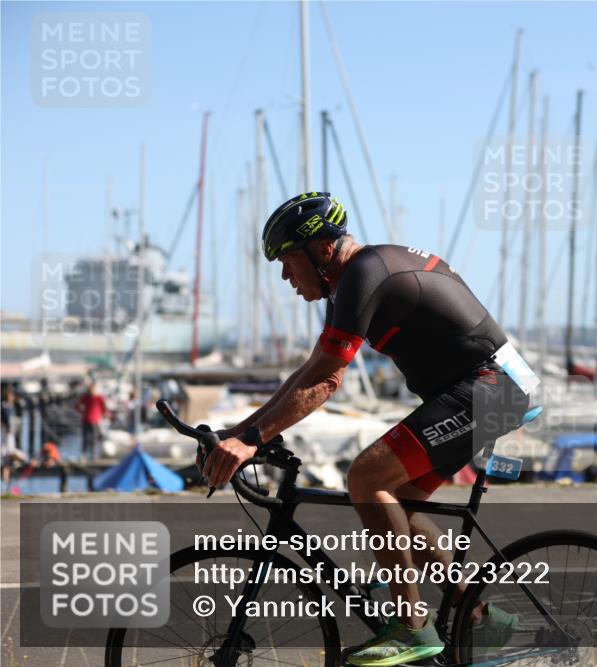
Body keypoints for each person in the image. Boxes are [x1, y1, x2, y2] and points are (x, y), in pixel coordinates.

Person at [203, 193, 532, 666]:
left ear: (319, 250)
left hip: (494, 388)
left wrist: (252, 441)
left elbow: (327, 381)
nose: (283, 276)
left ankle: (412, 629)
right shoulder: (355, 278)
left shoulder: (363, 273)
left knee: (367, 477)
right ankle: (477, 614)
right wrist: (240, 432)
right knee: (399, 501)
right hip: (486, 388)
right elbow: (310, 370)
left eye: (286, 260)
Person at [75, 383, 108, 460]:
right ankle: (87, 455)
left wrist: (103, 415)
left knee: (91, 439)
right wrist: (82, 412)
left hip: (93, 420)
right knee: (88, 439)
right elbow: (77, 406)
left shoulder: (98, 398)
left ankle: (91, 455)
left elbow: (104, 409)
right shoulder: (87, 397)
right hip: (88, 420)